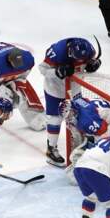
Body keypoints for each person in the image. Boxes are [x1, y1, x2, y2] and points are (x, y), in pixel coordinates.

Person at [60, 96, 110, 206]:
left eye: (71, 115)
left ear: (74, 109)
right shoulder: (77, 103)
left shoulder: (87, 120)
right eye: (67, 117)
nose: (70, 119)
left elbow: (107, 137)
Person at [38, 37, 101, 167]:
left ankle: (79, 147)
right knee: (55, 119)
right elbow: (42, 69)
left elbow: (92, 62)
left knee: (79, 116)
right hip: (54, 89)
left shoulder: (89, 50)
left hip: (74, 88)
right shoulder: (57, 51)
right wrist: (57, 72)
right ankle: (51, 150)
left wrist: (94, 65)